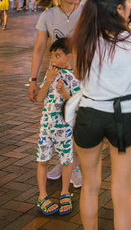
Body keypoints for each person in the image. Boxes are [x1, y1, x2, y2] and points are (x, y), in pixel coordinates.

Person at [71, 0, 131, 230]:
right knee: (121, 189)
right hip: (123, 116)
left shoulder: (84, 38)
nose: (130, 6)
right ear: (119, 8)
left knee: (90, 186)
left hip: (89, 114)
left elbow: (78, 74)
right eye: (128, 2)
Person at [34, 38, 80, 216]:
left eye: (57, 55)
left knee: (66, 160)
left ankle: (65, 192)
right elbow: (39, 98)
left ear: (69, 57)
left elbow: (78, 104)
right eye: (52, 55)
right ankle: (43, 196)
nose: (53, 59)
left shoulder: (74, 77)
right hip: (46, 126)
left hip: (64, 127)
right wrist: (48, 81)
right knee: (42, 159)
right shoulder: (50, 73)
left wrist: (65, 94)